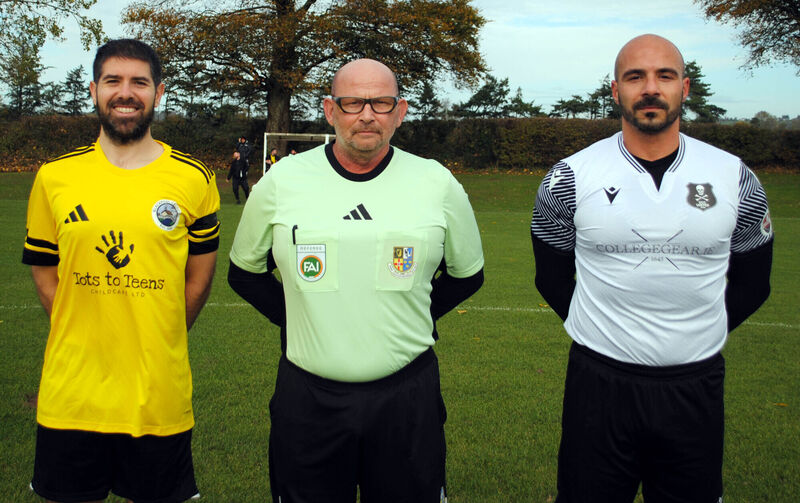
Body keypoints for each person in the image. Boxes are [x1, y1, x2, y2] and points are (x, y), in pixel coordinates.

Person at [530, 34, 773, 503]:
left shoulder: (735, 176)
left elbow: (754, 283)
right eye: (634, 76)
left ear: (685, 87)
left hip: (695, 385)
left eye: (664, 75)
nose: (650, 88)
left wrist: (694, 332)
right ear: (616, 89)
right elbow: (551, 277)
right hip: (598, 385)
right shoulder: (568, 177)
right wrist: (603, 330)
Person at [228, 58, 484, 502]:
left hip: (408, 397)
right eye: (352, 103)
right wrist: (302, 320)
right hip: (308, 399)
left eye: (381, 103)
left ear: (399, 112)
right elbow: (244, 274)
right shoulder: (281, 180)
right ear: (330, 111)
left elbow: (466, 276)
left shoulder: (436, 182)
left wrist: (410, 317)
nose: (367, 114)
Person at [22, 39, 220, 503]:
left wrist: (162, 331)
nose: (125, 92)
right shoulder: (54, 176)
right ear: (94, 90)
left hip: (157, 397)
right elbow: (44, 271)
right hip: (72, 396)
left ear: (158, 92)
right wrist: (78, 326)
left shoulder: (194, 178)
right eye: (113, 81)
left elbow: (199, 278)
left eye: (139, 82)